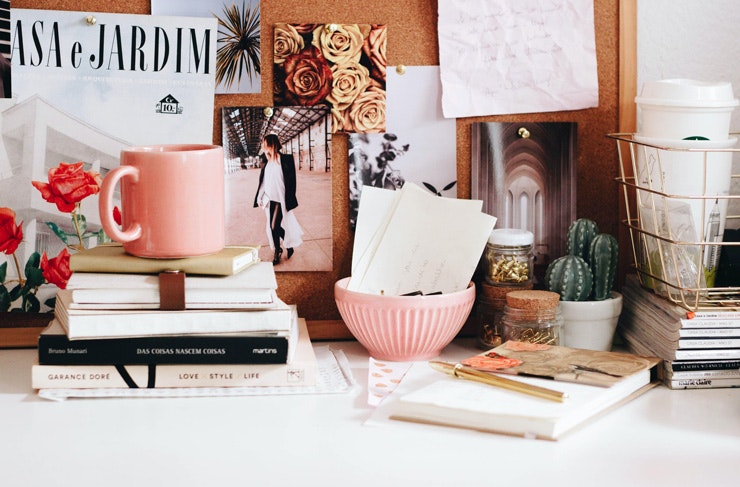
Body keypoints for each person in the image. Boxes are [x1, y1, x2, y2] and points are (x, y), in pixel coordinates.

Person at [253, 134, 303, 265]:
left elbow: (292, 182)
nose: (263, 147)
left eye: (265, 144)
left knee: (274, 226)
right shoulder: (266, 161)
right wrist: (259, 197)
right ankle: (284, 246)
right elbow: (263, 182)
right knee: (272, 227)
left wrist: (290, 198)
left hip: (281, 198)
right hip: (269, 200)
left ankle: (280, 249)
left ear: (271, 144)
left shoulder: (286, 159)